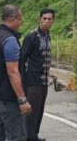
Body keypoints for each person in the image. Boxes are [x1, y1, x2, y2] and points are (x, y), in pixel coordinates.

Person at [0, 4, 31, 141]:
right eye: (20, 20)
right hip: (7, 97)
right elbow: (13, 72)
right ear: (12, 18)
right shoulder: (10, 40)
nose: (21, 23)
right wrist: (22, 99)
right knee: (17, 135)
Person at [20, 8, 55, 141]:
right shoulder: (31, 36)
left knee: (39, 111)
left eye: (49, 19)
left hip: (43, 81)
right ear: (39, 19)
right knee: (30, 112)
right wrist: (23, 83)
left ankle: (34, 136)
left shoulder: (48, 36)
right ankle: (28, 137)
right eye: (44, 18)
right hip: (32, 82)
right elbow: (21, 60)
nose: (46, 21)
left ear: (53, 21)